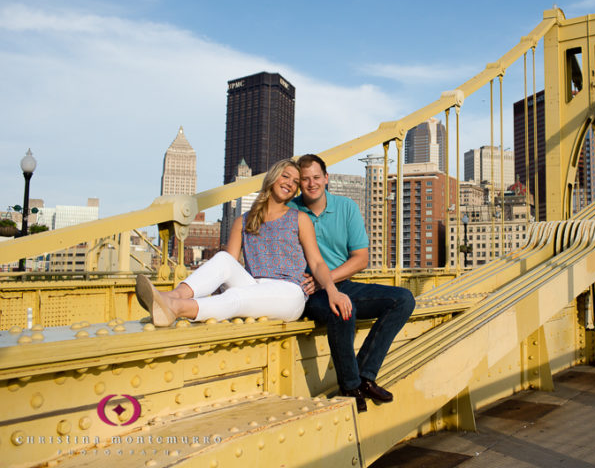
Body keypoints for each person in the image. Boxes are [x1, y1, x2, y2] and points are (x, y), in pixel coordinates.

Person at [135, 159, 352, 327]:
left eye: (295, 182)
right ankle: (171, 297)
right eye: (286, 176)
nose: (290, 183)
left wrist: (332, 291)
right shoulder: (243, 221)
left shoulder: (299, 218)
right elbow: (227, 268)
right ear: (273, 177)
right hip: (253, 285)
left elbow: (316, 263)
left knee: (236, 298)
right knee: (222, 259)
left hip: (289, 294)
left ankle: (175, 308)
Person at [289, 154, 415, 413]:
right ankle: (350, 386)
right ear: (299, 183)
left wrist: (326, 280)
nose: (311, 183)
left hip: (338, 283)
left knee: (403, 299)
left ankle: (365, 377)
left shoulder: (347, 208)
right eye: (305, 179)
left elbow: (361, 259)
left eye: (316, 177)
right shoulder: (290, 210)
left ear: (326, 178)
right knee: (344, 310)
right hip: (308, 293)